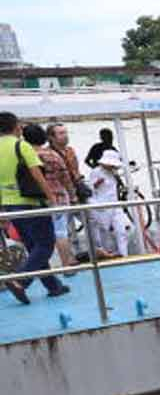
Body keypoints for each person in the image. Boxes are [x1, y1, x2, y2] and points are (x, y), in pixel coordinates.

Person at [1, 112, 68, 303]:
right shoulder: (21, 145)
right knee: (45, 245)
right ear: (15, 127)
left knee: (34, 246)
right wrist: (51, 197)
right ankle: (20, 281)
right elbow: (37, 175)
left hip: (10, 204)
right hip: (30, 202)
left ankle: (53, 286)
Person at [34, 124, 79, 271]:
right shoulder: (51, 155)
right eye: (60, 133)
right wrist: (72, 194)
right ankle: (66, 264)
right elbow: (65, 176)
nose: (65, 135)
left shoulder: (28, 155)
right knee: (61, 232)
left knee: (43, 234)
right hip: (58, 196)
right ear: (49, 137)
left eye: (65, 132)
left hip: (38, 199)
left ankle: (41, 266)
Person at [84, 149, 139, 257]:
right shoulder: (96, 172)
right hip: (102, 206)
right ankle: (107, 254)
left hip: (114, 204)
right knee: (104, 232)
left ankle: (123, 253)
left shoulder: (113, 172)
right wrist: (96, 184)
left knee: (124, 229)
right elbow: (91, 189)